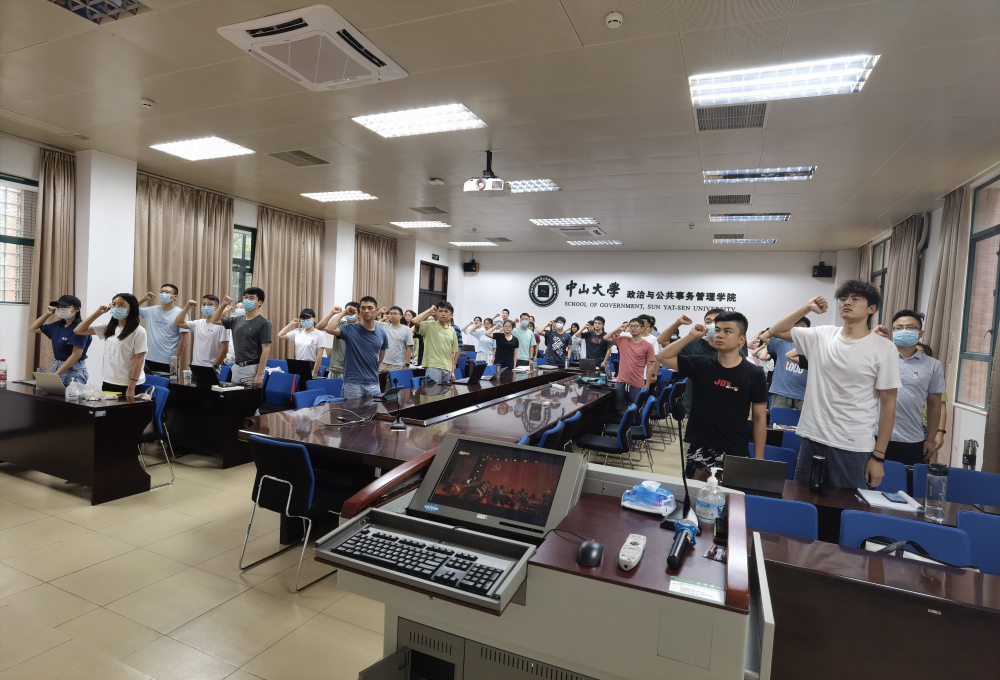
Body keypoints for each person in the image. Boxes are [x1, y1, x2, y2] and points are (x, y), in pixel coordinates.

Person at [768, 282, 900, 489]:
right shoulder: (822, 334)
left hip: (853, 445)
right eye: (843, 298)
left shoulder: (885, 348)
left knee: (847, 504)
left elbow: (889, 404)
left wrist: (878, 456)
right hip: (812, 438)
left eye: (855, 299)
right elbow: (776, 331)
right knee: (805, 499)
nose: (847, 302)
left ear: (871, 308)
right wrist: (806, 308)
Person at [656, 311, 768, 478]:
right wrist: (691, 336)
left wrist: (758, 460)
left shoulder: (754, 373)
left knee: (730, 494)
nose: (719, 335)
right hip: (699, 446)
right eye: (717, 330)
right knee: (696, 491)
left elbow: (759, 418)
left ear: (741, 339)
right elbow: (662, 356)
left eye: (727, 331)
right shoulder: (701, 364)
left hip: (734, 448)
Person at [873, 311, 945, 466]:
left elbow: (934, 404)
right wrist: (872, 337)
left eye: (910, 327)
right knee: (869, 479)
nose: (904, 331)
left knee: (907, 480)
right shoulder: (878, 358)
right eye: (898, 328)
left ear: (920, 333)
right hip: (874, 434)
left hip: (911, 438)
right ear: (892, 332)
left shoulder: (933, 365)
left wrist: (930, 439)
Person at [74, 293, 147, 399]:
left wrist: (131, 388)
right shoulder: (109, 327)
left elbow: (139, 361)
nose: (116, 307)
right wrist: (98, 313)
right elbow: (78, 330)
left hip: (128, 383)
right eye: (113, 304)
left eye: (121, 305)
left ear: (132, 308)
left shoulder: (139, 331)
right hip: (109, 380)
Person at [326, 297, 388, 399]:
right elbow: (329, 328)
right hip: (353, 383)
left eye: (370, 308)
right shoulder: (351, 329)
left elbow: (380, 358)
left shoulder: (382, 333)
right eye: (363, 308)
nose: (366, 311)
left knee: (373, 409)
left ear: (377, 310)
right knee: (352, 409)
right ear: (359, 311)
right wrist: (344, 313)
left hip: (373, 383)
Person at [209, 288, 272, 388]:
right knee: (235, 396)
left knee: (248, 396)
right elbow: (213, 320)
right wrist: (223, 304)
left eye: (251, 298)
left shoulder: (264, 323)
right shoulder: (237, 320)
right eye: (245, 297)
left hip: (252, 368)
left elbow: (266, 350)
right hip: (236, 366)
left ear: (260, 302)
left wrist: (259, 374)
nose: (247, 300)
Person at [28, 294, 92, 385]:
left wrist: (55, 375)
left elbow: (76, 355)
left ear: (77, 309)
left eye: (65, 307)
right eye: (59, 307)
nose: (61, 309)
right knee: (51, 393)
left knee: (70, 394)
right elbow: (33, 328)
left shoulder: (80, 328)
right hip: (57, 366)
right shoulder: (57, 325)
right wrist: (47, 314)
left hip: (73, 369)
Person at [605, 318, 657, 414]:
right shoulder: (623, 340)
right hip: (621, 381)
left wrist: (647, 385)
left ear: (642, 328)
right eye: (631, 326)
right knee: (621, 408)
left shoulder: (648, 346)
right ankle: (624, 423)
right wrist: (619, 329)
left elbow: (650, 366)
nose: (633, 328)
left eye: (636, 326)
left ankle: (634, 423)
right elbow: (606, 337)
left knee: (636, 409)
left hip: (637, 381)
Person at [759, 318, 810, 409]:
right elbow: (763, 337)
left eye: (802, 327)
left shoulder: (811, 346)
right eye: (795, 327)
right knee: (778, 418)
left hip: (803, 394)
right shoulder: (781, 343)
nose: (798, 329)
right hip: (781, 392)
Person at [138, 284, 189, 373]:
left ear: (175, 296)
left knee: (170, 381)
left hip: (169, 360)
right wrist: (144, 299)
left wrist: (177, 358)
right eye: (161, 292)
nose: (163, 294)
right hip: (148, 357)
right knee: (146, 381)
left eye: (167, 292)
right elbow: (131, 308)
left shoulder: (181, 314)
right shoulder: (152, 310)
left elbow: (183, 339)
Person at [173, 295, 231, 369]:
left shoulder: (222, 325)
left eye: (210, 304)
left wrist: (215, 365)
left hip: (211, 367)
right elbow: (177, 323)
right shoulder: (198, 323)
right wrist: (187, 307)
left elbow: (224, 349)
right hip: (195, 366)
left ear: (217, 307)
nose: (206, 307)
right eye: (204, 304)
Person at [410, 302, 460, 383]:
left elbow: (452, 352)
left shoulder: (452, 330)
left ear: (451, 315)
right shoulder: (429, 325)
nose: (443, 313)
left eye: (446, 311)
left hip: (447, 368)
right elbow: (414, 320)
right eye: (440, 311)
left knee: (446, 391)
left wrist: (452, 371)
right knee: (432, 391)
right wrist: (429, 311)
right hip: (433, 367)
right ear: (437, 312)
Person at [915, 343, 949, 453]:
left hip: (925, 427)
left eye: (921, 353)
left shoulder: (932, 375)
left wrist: (940, 432)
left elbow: (941, 407)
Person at [277, 308, 326, 378]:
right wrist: (291, 323)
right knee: (298, 384)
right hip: (298, 364)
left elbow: (319, 355)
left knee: (309, 384)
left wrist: (315, 372)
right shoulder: (297, 331)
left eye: (308, 318)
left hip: (311, 365)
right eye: (303, 318)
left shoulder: (320, 334)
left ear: (314, 319)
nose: (305, 320)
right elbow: (280, 335)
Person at [376, 306, 414, 376]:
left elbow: (409, 348)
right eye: (391, 313)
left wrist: (407, 365)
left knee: (392, 383)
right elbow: (370, 321)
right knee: (379, 383)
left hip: (397, 365)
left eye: (395, 313)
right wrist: (380, 312)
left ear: (401, 316)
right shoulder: (385, 326)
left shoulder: (406, 330)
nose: (392, 315)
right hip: (382, 364)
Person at [324, 301, 358, 379]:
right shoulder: (342, 324)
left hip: (347, 369)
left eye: (353, 312)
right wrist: (333, 313)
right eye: (348, 311)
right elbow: (320, 326)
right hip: (334, 367)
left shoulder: (359, 329)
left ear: (359, 314)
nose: (350, 314)